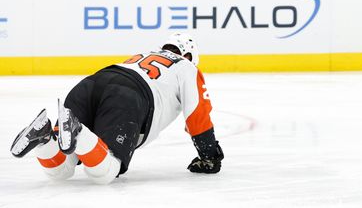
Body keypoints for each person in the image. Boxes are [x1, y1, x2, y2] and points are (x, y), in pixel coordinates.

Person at [10, 33, 223, 184]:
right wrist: (209, 155)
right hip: (127, 97)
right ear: (188, 56)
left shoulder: (142, 55)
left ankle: (45, 139)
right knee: (105, 172)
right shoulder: (186, 67)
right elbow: (197, 115)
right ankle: (78, 130)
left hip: (90, 84)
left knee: (61, 169)